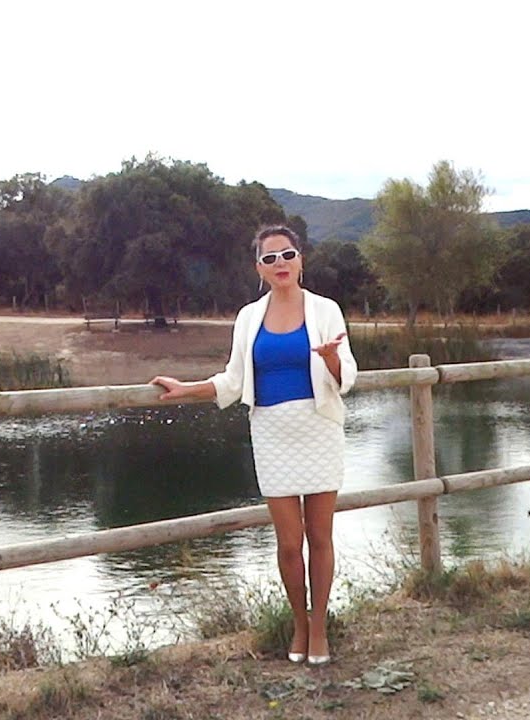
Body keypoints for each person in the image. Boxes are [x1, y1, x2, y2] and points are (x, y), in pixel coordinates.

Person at [150, 225, 357, 666]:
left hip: (319, 428)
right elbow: (232, 381)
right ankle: (298, 624)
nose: (280, 263)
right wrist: (187, 389)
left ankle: (319, 627)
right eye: (270, 258)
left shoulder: (326, 310)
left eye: (287, 254)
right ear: (258, 268)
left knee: (320, 537)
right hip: (271, 434)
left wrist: (332, 359)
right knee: (288, 542)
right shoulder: (248, 317)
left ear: (301, 260)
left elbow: (347, 378)